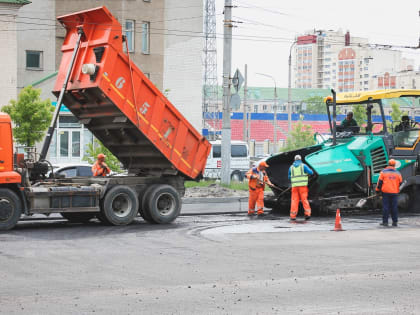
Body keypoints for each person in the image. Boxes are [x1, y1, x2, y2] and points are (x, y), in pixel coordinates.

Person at [376, 159, 402, 227]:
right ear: (394, 165)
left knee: (386, 207)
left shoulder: (383, 172)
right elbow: (400, 182)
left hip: (386, 192)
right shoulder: (398, 173)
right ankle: (395, 222)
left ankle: (385, 222)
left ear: (388, 164)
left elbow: (379, 183)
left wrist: (377, 191)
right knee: (394, 207)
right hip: (394, 192)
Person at [288, 154, 314, 221]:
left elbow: (289, 177)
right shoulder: (303, 166)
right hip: (302, 186)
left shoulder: (291, 167)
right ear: (300, 159)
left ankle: (293, 216)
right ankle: (307, 214)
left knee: (294, 201)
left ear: (294, 160)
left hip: (294, 187)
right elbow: (311, 173)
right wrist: (309, 172)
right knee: (304, 200)